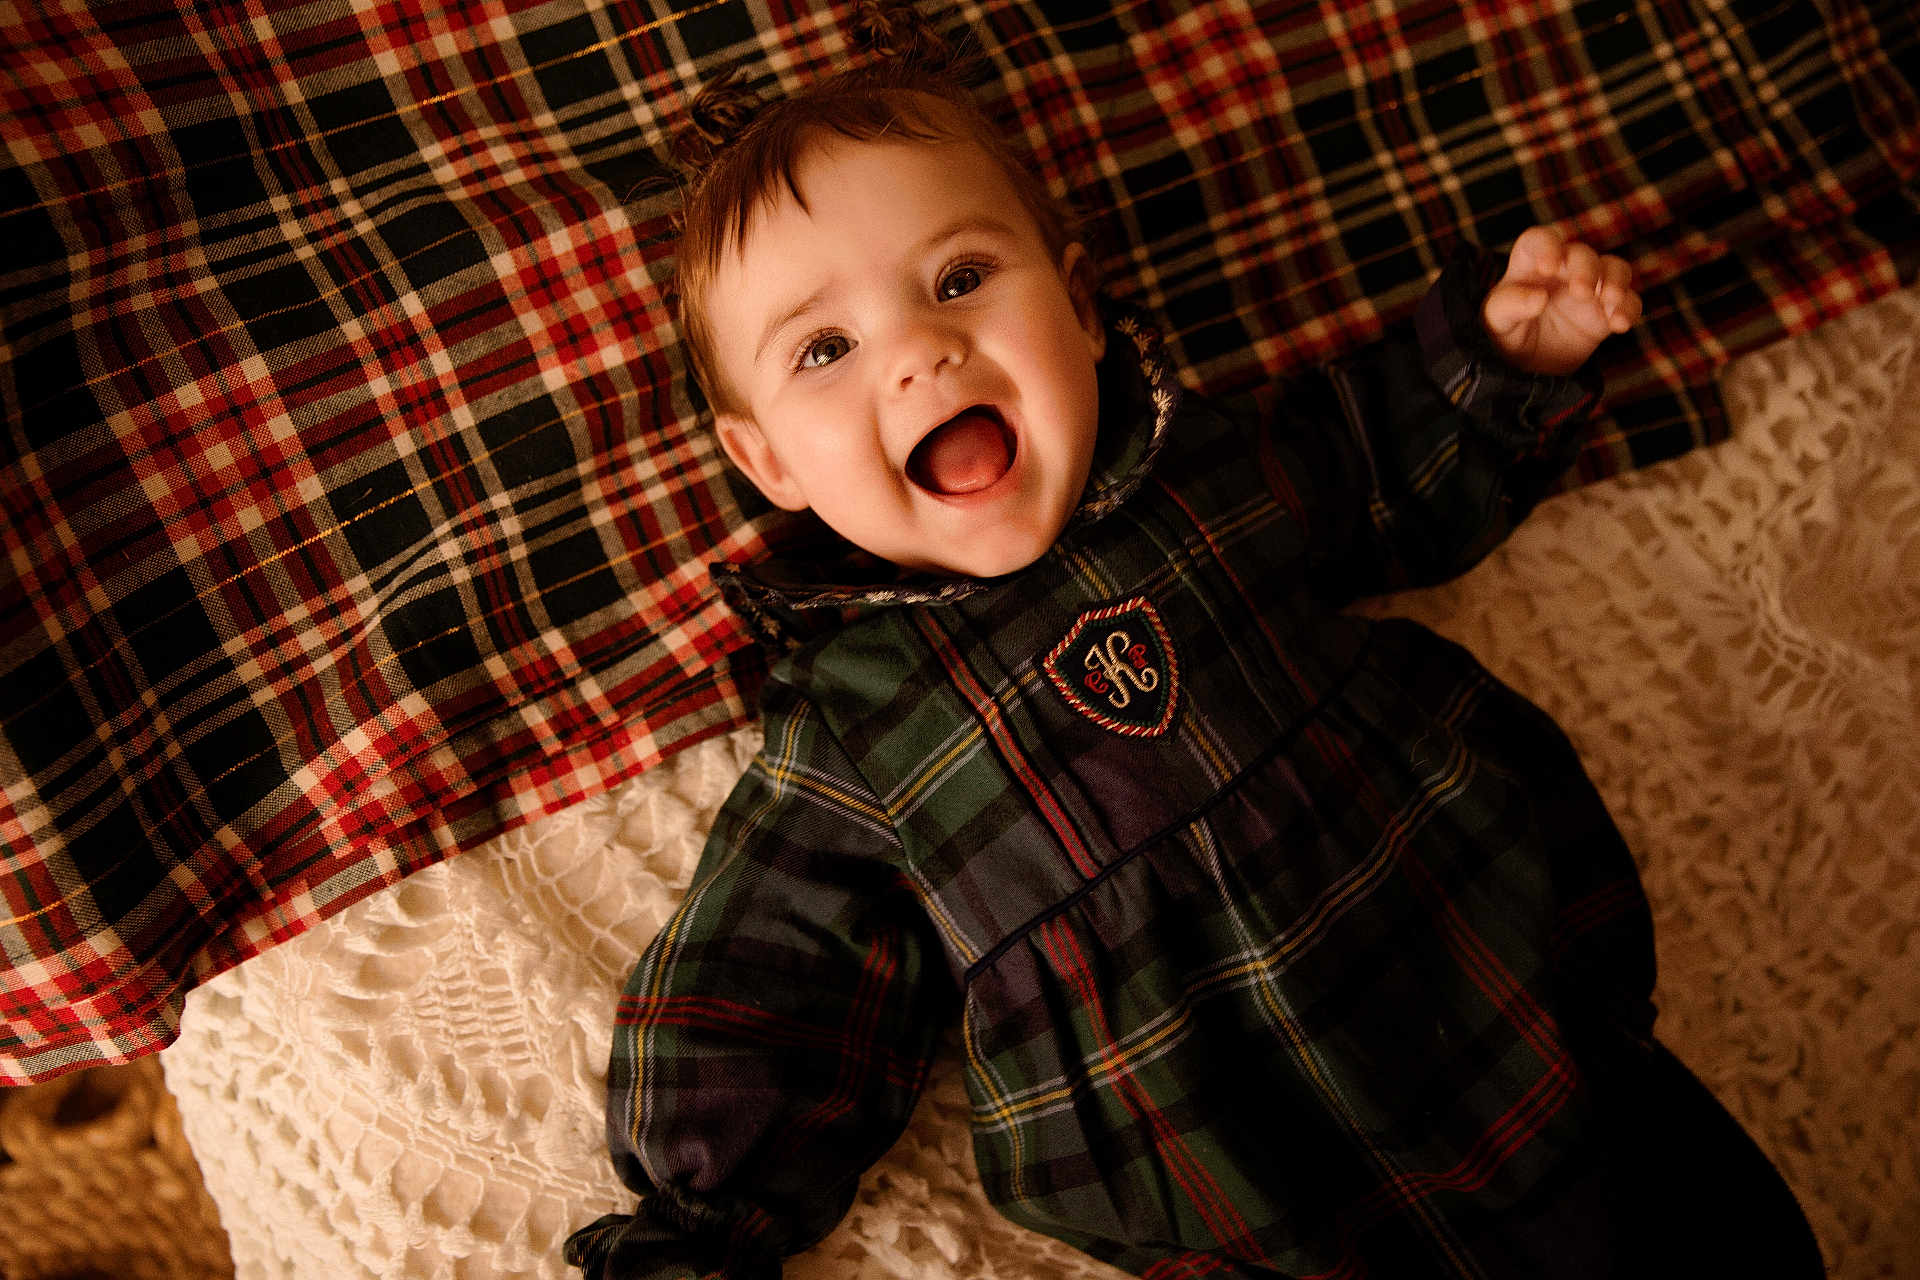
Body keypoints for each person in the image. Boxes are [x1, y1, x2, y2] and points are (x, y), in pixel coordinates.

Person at [567, 11, 1823, 1278]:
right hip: (1253, 1214)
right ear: (767, 460)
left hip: (1538, 1048)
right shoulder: (857, 719)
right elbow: (770, 975)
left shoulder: (1207, 471)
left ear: (1082, 305)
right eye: (824, 349)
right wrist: (696, 1230)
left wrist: (1500, 361)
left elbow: (1381, 464)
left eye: (960, 279)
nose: (919, 353)